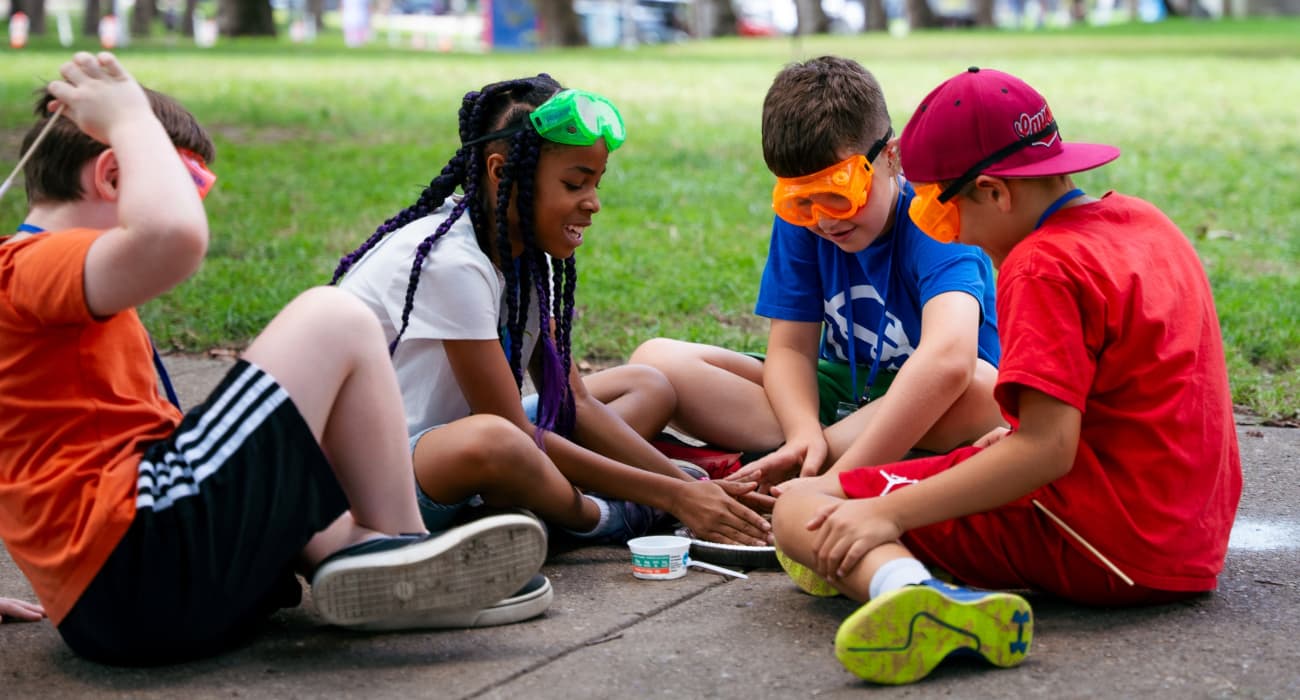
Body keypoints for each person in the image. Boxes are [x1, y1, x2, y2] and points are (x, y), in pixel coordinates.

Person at [0, 52, 548, 665]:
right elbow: (171, 238)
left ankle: (357, 554)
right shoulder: (26, 266)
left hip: (122, 609)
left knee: (300, 457)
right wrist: (130, 119)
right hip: (141, 554)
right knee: (333, 317)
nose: (195, 205)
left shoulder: (30, 303)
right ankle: (401, 544)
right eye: (187, 185)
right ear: (113, 175)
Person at [771, 66, 1242, 685]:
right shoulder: (1145, 223)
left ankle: (910, 593)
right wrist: (1009, 441)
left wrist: (889, 514)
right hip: (1190, 536)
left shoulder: (1040, 265)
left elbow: (1047, 451)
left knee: (802, 510)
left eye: (939, 215)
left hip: (1109, 544)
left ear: (993, 192)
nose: (945, 235)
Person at [332, 75, 771, 547]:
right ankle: (593, 516)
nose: (593, 203)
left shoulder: (526, 255)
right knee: (497, 442)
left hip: (464, 442)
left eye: (596, 183)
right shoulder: (451, 263)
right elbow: (514, 430)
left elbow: (573, 403)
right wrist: (674, 496)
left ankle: (520, 507)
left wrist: (693, 488)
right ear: (501, 171)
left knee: (645, 386)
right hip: (378, 481)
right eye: (574, 183)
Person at [630, 56, 1003, 490]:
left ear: (891, 157)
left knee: (982, 385)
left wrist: (833, 482)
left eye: (839, 194)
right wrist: (802, 431)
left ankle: (808, 466)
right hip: (839, 397)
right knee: (657, 361)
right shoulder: (804, 221)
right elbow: (791, 349)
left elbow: (949, 360)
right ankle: (812, 455)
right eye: (800, 200)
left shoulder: (935, 217)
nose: (823, 220)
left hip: (939, 405)